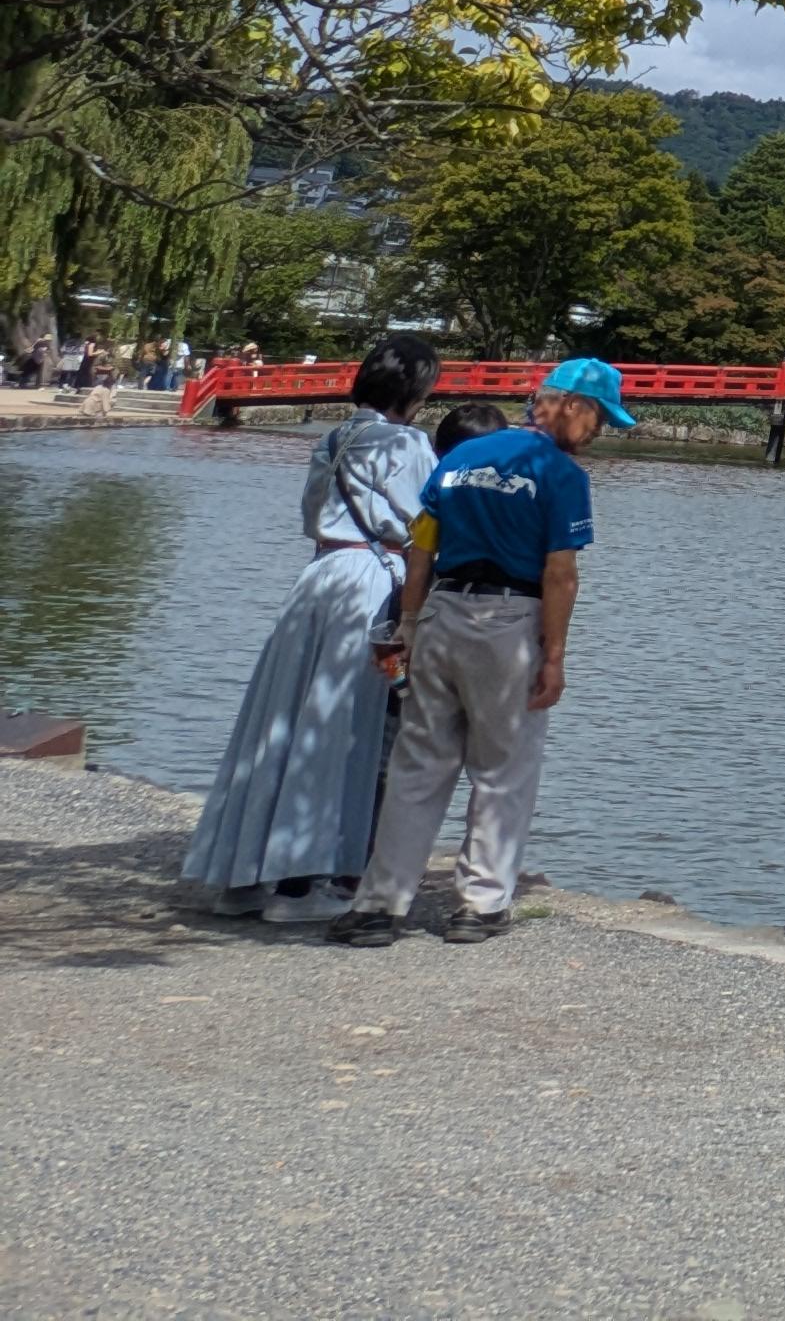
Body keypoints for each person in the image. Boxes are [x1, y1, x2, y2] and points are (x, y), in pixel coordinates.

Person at [335, 356, 635, 946]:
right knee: (503, 770)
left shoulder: (464, 456)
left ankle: (378, 905)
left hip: (443, 611)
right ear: (570, 406)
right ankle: (479, 904)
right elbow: (560, 574)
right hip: (509, 620)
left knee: (419, 766)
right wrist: (554, 656)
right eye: (599, 417)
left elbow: (422, 546)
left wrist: (412, 624)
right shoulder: (562, 474)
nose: (599, 432)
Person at [180, 343, 434, 925]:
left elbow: (311, 512)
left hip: (318, 574)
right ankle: (300, 885)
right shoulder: (407, 444)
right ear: (414, 393)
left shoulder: (331, 438)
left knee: (280, 716)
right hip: (371, 580)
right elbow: (421, 524)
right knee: (338, 725)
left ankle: (241, 875)